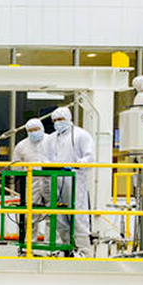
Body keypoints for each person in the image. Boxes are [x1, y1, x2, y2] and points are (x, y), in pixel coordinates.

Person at [49, 106, 95, 255]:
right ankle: (66, 249)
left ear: (69, 118)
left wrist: (74, 166)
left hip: (74, 180)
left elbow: (90, 158)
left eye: (61, 119)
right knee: (60, 218)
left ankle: (83, 251)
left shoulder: (81, 135)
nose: (58, 122)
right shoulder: (52, 138)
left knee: (78, 216)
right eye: (55, 120)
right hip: (56, 181)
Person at [10, 118, 51, 247]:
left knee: (53, 213)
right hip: (31, 182)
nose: (34, 132)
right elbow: (15, 166)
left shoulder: (52, 141)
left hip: (51, 180)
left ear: (42, 128)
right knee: (31, 214)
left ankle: (50, 244)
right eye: (31, 130)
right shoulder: (22, 146)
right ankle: (30, 244)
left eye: (36, 129)